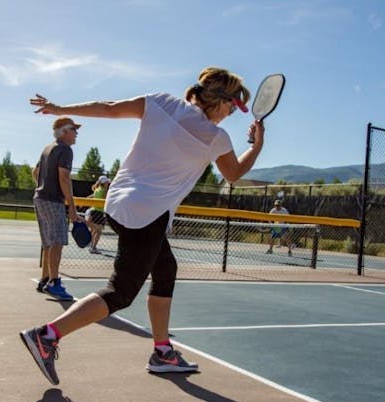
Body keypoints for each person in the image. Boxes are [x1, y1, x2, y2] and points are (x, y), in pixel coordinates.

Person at [21, 66, 265, 385]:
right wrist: (257, 146)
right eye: (232, 107)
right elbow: (234, 174)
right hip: (148, 215)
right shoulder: (216, 137)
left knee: (166, 269)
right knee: (120, 292)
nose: (231, 113)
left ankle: (163, 351)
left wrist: (60, 108)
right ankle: (47, 336)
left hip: (118, 204)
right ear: (220, 101)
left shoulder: (161, 102)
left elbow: (108, 108)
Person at [32, 116, 82, 301]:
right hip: (53, 201)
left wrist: (43, 186)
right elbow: (64, 178)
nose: (77, 133)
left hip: (40, 198)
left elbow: (35, 172)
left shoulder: (47, 148)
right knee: (58, 241)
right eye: (74, 129)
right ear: (65, 131)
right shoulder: (65, 150)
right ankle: (53, 282)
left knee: (48, 243)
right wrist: (72, 207)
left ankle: (44, 279)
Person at [85, 175, 110, 254]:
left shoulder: (97, 189)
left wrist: (88, 198)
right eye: (107, 182)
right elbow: (105, 198)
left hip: (95, 211)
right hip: (99, 212)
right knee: (98, 231)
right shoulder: (103, 190)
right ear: (104, 183)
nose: (108, 184)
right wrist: (106, 189)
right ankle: (93, 247)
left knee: (94, 230)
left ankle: (92, 245)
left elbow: (93, 195)